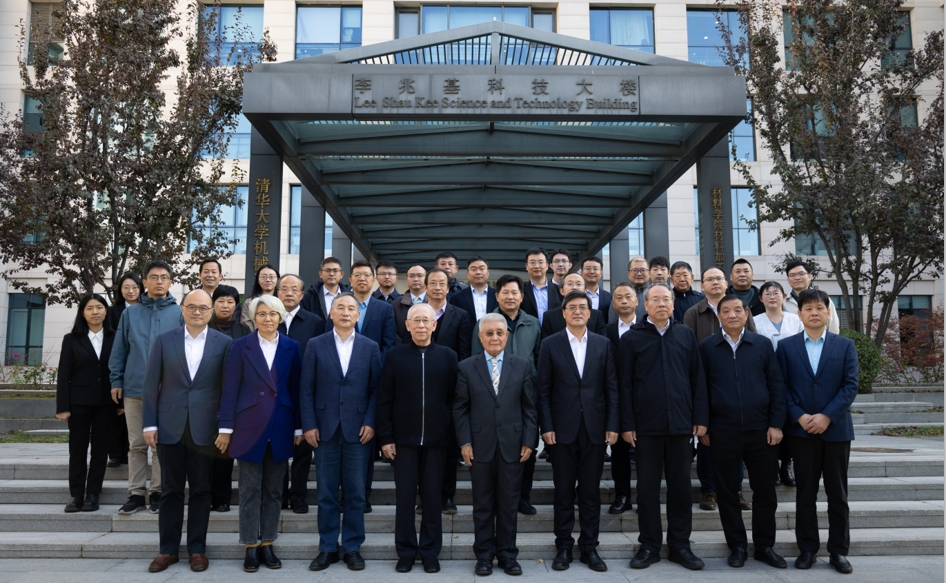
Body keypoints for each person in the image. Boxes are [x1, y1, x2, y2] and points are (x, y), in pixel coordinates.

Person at [141, 289, 232, 574]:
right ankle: (167, 550)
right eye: (191, 306)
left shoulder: (224, 343)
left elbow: (228, 389)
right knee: (170, 490)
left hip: (206, 428)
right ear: (182, 309)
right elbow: (150, 384)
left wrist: (225, 427)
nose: (197, 312)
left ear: (211, 312)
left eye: (203, 308)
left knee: (202, 490)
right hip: (170, 426)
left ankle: (197, 549)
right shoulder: (164, 340)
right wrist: (150, 424)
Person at [620, 282, 708, 571]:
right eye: (655, 299)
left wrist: (700, 418)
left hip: (681, 425)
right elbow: (624, 385)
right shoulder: (631, 338)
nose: (661, 304)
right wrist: (627, 423)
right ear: (645, 305)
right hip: (645, 427)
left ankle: (680, 545)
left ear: (673, 304)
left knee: (681, 488)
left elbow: (697, 378)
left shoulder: (685, 334)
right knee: (647, 489)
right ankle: (649, 545)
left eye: (666, 299)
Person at [698, 295, 788, 570]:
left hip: (761, 431)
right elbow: (701, 390)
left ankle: (764, 546)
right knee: (727, 493)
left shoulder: (761, 344)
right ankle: (737, 546)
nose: (733, 315)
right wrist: (704, 425)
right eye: (726, 311)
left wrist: (776, 424)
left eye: (738, 310)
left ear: (746, 313)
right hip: (722, 431)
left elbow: (776, 386)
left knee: (765, 492)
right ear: (719, 316)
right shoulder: (707, 347)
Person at [216, 295, 303, 573]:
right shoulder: (240, 346)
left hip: (281, 424)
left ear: (280, 317)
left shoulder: (291, 346)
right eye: (262, 314)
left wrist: (299, 426)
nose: (267, 319)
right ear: (254, 318)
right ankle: (250, 546)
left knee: (274, 491)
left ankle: (268, 543)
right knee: (249, 489)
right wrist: (225, 427)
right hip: (248, 426)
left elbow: (296, 388)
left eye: (273, 314)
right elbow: (230, 388)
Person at [776, 289, 858, 574]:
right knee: (805, 493)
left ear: (827, 312)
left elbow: (850, 385)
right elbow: (780, 387)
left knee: (838, 495)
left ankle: (839, 551)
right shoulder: (785, 347)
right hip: (801, 433)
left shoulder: (844, 345)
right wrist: (799, 416)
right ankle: (807, 549)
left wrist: (827, 416)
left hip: (836, 431)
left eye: (819, 308)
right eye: (808, 308)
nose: (814, 312)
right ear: (799, 314)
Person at [300, 293, 382, 572]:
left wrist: (371, 422)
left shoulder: (370, 346)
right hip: (324, 429)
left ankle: (352, 547)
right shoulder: (315, 344)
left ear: (358, 315)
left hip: (359, 430)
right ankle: (327, 547)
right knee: (326, 493)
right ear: (331, 313)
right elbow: (306, 388)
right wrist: (309, 424)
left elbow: (376, 389)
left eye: (351, 309)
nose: (346, 312)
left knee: (356, 493)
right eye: (340, 308)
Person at [538, 291, 618, 572]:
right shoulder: (550, 344)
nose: (577, 311)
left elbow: (611, 388)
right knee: (562, 491)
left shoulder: (603, 344)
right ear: (563, 313)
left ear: (590, 313)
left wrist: (612, 425)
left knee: (590, 492)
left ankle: (589, 547)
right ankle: (563, 546)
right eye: (571, 307)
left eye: (582, 307)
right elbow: (543, 390)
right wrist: (546, 426)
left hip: (595, 429)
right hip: (561, 430)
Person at [377, 304, 458, 574]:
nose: (421, 325)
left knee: (433, 498)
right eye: (416, 320)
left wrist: (448, 430)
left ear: (434, 325)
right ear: (407, 325)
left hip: (437, 441)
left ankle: (430, 551)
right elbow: (385, 399)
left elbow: (454, 398)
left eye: (426, 320)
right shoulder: (394, 356)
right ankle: (406, 551)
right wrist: (386, 437)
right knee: (405, 498)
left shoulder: (448, 356)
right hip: (403, 441)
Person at [454, 313, 537, 577]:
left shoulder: (522, 365)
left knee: (509, 504)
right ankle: (484, 556)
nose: (494, 337)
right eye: (488, 333)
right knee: (483, 504)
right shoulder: (466, 367)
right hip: (479, 446)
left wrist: (529, 440)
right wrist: (465, 441)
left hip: (513, 445)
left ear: (507, 335)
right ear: (480, 337)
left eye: (499, 332)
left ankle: (508, 555)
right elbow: (460, 408)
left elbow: (530, 408)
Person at [109, 260, 182, 515]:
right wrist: (116, 380)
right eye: (153, 277)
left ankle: (158, 492)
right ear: (144, 282)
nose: (159, 281)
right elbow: (120, 349)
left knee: (161, 444)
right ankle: (136, 493)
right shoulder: (130, 313)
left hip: (168, 390)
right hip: (135, 388)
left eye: (164, 277)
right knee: (137, 444)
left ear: (171, 282)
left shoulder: (179, 312)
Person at [684, 266, 755, 511]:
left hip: (738, 386)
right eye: (709, 279)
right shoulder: (693, 312)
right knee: (707, 441)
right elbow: (688, 349)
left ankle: (736, 490)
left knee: (737, 445)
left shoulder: (741, 308)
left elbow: (753, 340)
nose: (715, 282)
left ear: (726, 283)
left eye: (719, 278)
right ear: (701, 285)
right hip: (707, 385)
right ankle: (709, 490)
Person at [470, 275, 542, 515]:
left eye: (514, 292)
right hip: (493, 396)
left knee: (526, 447)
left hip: (526, 395)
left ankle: (523, 497)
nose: (510, 297)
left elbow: (539, 359)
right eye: (505, 292)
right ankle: (495, 498)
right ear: (497, 296)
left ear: (522, 297)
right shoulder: (485, 323)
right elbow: (475, 359)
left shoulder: (533, 324)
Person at [56, 294, 117, 514]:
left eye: (99, 307)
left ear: (106, 311)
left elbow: (121, 369)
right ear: (82, 313)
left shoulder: (116, 337)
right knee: (78, 450)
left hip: (107, 402)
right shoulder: (71, 339)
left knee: (100, 450)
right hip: (78, 402)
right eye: (90, 308)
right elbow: (64, 374)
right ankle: (76, 495)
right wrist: (62, 407)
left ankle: (93, 494)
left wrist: (121, 401)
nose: (95, 312)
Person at [345, 261, 397, 511]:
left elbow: (389, 344)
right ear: (350, 280)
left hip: (374, 379)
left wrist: (373, 367)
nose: (362, 279)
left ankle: (363, 495)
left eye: (367, 275)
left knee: (365, 442)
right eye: (357, 275)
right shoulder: (342, 305)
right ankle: (345, 494)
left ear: (373, 279)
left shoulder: (384, 309)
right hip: (344, 381)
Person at [276, 274, 326, 514]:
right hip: (275, 394)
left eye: (294, 289)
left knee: (303, 451)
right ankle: (278, 495)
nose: (289, 293)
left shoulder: (315, 322)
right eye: (284, 288)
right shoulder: (269, 319)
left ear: (302, 295)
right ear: (277, 293)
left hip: (305, 393)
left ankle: (298, 495)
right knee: (278, 448)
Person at [425, 268, 471, 514]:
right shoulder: (417, 313)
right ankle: (424, 495)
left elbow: (464, 352)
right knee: (423, 447)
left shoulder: (460, 314)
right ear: (426, 286)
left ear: (448, 287)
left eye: (441, 283)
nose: (437, 287)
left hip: (450, 388)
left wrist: (460, 384)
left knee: (450, 445)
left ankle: (447, 496)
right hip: (420, 386)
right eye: (432, 283)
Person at [754, 281, 804, 487]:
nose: (772, 297)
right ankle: (772, 465)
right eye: (767, 294)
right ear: (761, 299)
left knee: (790, 423)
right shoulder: (754, 321)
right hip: (765, 378)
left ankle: (786, 465)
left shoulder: (795, 319)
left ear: (784, 297)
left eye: (776, 293)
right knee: (770, 422)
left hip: (792, 378)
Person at [207, 285, 250, 512]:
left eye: (230, 302)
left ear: (236, 305)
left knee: (225, 449)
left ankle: (221, 498)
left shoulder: (243, 330)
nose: (225, 306)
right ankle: (203, 494)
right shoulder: (203, 327)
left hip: (233, 397)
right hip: (206, 396)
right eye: (221, 301)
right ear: (213, 304)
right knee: (204, 448)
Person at [604, 282, 637, 514]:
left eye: (628, 297)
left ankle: (645, 496)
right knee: (619, 452)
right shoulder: (605, 332)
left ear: (637, 301)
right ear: (613, 304)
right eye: (619, 298)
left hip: (642, 399)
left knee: (646, 453)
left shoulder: (647, 328)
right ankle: (622, 495)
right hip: (614, 398)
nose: (624, 301)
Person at [106, 272, 143, 468]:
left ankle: (129, 452)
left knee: (132, 417)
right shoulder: (114, 312)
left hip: (138, 369)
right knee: (117, 414)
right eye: (126, 287)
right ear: (120, 290)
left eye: (135, 287)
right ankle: (115, 454)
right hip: (120, 364)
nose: (131, 291)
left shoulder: (146, 310)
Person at [541, 273, 607, 338]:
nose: (574, 287)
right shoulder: (550, 316)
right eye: (570, 284)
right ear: (561, 291)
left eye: (578, 284)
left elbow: (601, 342)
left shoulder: (597, 315)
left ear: (585, 291)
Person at [783, 260, 841, 334]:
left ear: (809, 276)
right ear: (788, 280)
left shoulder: (822, 299)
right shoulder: (783, 303)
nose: (797, 278)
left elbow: (833, 327)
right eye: (792, 275)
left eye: (801, 274)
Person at [449, 256, 498, 331]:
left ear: (488, 273)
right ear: (467, 274)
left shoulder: (498, 296)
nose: (478, 272)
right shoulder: (457, 298)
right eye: (473, 269)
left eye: (482, 269)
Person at [300, 257, 351, 322]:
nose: (331, 274)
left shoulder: (350, 296)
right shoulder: (309, 297)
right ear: (320, 274)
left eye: (335, 271)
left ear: (341, 274)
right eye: (327, 270)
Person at [521, 247, 561, 325]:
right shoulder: (521, 290)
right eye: (532, 262)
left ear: (547, 266)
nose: (536, 266)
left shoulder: (559, 290)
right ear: (526, 266)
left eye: (540, 262)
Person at [393, 264, 427, 342]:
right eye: (411, 276)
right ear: (406, 280)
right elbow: (392, 332)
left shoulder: (434, 303)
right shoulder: (394, 305)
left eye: (420, 275)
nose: (416, 279)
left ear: (427, 279)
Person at [610, 256, 649, 323]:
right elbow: (612, 322)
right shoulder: (619, 293)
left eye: (643, 270)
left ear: (649, 273)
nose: (639, 274)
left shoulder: (656, 293)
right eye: (634, 270)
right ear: (628, 274)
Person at [241, 263, 280, 330]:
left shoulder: (282, 301)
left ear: (278, 280)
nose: (268, 280)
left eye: (271, 277)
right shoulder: (249, 302)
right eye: (263, 277)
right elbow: (246, 326)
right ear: (258, 281)